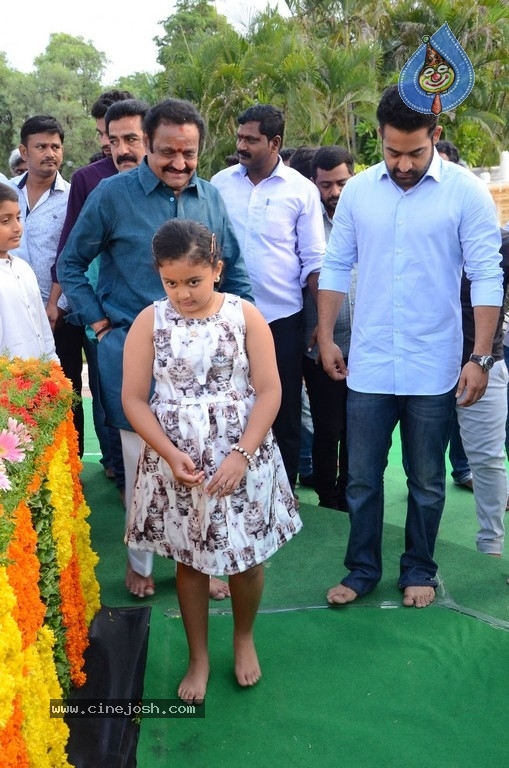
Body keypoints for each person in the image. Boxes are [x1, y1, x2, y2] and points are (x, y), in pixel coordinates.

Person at [58, 98, 253, 600]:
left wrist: (247, 335)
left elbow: (235, 270)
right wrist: (100, 324)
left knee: (202, 458)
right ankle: (141, 563)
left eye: (189, 153)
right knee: (143, 465)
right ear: (147, 143)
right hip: (131, 353)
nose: (179, 164)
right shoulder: (111, 195)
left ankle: (205, 560)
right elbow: (71, 264)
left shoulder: (210, 198)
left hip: (208, 362)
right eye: (167, 152)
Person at [318, 85, 503, 609]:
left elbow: (487, 275)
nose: (402, 163)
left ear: (435, 137)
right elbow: (335, 265)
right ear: (378, 137)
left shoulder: (465, 193)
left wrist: (480, 356)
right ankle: (361, 570)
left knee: (426, 479)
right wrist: (328, 335)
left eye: (415, 153)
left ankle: (419, 567)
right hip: (370, 362)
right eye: (392, 151)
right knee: (361, 478)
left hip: (435, 363)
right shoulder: (357, 192)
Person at [122, 219, 301, 704]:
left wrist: (242, 454)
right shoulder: (149, 321)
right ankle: (198, 656)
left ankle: (244, 637)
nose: (183, 293)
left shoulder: (246, 316)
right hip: (178, 463)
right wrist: (171, 454)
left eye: (194, 281)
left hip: (242, 454)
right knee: (190, 560)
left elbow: (270, 390)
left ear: (217, 269)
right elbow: (134, 400)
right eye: (171, 282)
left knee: (247, 559)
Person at [211, 104, 325, 494]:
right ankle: (232, 487)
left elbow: (314, 262)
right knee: (228, 404)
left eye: (251, 140)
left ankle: (283, 493)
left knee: (284, 409)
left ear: (275, 143)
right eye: (239, 137)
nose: (241, 145)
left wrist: (321, 325)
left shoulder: (301, 190)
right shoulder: (219, 184)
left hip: (281, 321)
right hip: (224, 318)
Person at [50, 91, 137, 490]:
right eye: (108, 136)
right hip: (107, 316)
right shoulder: (91, 181)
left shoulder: (188, 184)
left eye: (126, 137)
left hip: (167, 328)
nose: (114, 146)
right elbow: (70, 256)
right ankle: (118, 472)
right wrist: (97, 321)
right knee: (109, 402)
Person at [9, 117, 85, 452]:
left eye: (55, 146)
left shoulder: (73, 197)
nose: (50, 153)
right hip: (11, 313)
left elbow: (71, 253)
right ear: (24, 152)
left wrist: (54, 305)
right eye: (41, 147)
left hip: (60, 312)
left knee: (65, 386)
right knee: (19, 391)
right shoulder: (7, 194)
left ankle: (72, 460)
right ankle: (27, 460)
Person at [302, 145, 355, 510]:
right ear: (313, 183)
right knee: (328, 426)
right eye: (325, 185)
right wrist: (320, 332)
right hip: (319, 342)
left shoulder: (364, 214)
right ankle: (328, 496)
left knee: (358, 428)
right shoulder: (306, 219)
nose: (334, 192)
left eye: (341, 183)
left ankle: (352, 491)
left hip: (364, 342)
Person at [0, 182, 58, 361]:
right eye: (5, 221)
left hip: (36, 379)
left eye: (18, 217)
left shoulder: (23, 269)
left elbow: (43, 330)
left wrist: (53, 368)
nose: (17, 228)